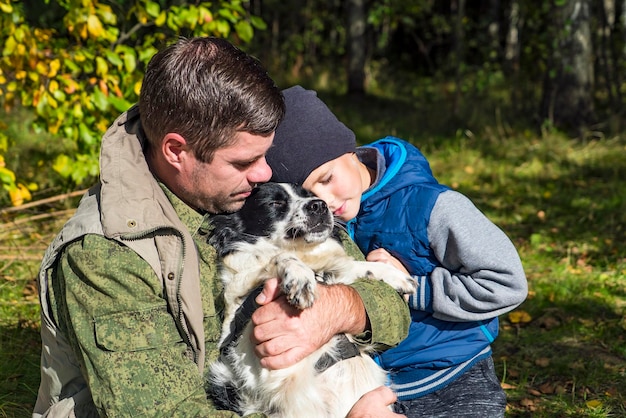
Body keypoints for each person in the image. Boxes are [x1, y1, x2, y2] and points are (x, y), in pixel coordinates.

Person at [33, 39, 411, 417]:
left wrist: (341, 307)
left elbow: (394, 308)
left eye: (266, 155)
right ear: (176, 150)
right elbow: (165, 413)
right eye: (245, 161)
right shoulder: (107, 252)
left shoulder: (252, 177)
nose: (265, 173)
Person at [265, 85, 529, 418]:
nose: (326, 201)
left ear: (350, 150)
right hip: (378, 386)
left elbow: (508, 283)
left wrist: (417, 290)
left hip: (454, 376)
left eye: (328, 177)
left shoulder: (432, 207)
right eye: (308, 193)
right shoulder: (328, 223)